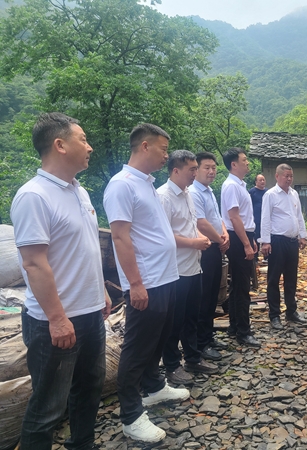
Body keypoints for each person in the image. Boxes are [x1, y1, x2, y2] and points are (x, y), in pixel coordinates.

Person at [11, 113, 111, 450]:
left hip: (90, 313)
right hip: (54, 321)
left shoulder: (79, 191)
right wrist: (56, 318)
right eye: (82, 139)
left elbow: (84, 248)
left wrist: (101, 291)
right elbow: (34, 262)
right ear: (60, 145)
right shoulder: (34, 196)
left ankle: (82, 444)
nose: (89, 147)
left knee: (89, 389)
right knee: (48, 407)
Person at [104, 124, 189, 444]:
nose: (166, 155)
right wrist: (135, 284)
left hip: (165, 277)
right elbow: (120, 237)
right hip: (147, 282)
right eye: (163, 149)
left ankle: (154, 387)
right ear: (144, 146)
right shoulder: (121, 185)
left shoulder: (146, 184)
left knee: (160, 338)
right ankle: (130, 415)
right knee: (137, 348)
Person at [157, 150, 216, 386]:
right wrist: (194, 243)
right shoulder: (163, 196)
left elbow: (191, 225)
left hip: (193, 266)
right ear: (176, 170)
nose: (195, 173)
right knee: (174, 321)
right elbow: (163, 236)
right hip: (175, 270)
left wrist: (200, 238)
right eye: (192, 169)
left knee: (192, 316)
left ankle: (192, 358)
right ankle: (172, 366)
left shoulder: (187, 194)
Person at [189, 152, 230, 361]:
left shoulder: (209, 191)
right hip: (204, 249)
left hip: (215, 246)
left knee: (214, 294)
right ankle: (200, 343)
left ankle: (208, 334)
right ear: (196, 170)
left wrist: (224, 232)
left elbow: (217, 217)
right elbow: (201, 223)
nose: (211, 171)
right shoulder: (193, 192)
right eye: (207, 167)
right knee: (204, 297)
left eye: (214, 167)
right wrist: (220, 239)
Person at [260, 164, 307, 329]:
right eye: (286, 176)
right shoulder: (271, 195)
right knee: (274, 279)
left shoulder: (294, 194)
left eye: (291, 176)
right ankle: (274, 315)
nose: (289, 179)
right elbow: (265, 218)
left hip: (292, 241)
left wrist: (302, 235)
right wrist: (266, 241)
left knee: (291, 278)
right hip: (277, 241)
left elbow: (299, 215)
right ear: (277, 176)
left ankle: (291, 311)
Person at [221, 148, 260, 348]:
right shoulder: (231, 186)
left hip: (244, 235)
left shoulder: (240, 185)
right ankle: (244, 332)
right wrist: (246, 243)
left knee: (238, 285)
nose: (247, 163)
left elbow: (244, 217)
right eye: (244, 160)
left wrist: (250, 239)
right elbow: (234, 217)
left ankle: (234, 326)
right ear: (234, 164)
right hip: (237, 237)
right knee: (243, 286)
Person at [249, 173, 267, 258]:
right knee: (255, 239)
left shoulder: (268, 192)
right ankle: (255, 257)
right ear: (256, 182)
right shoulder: (252, 192)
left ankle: (266, 257)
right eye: (260, 180)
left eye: (263, 180)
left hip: (266, 221)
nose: (262, 181)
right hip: (255, 220)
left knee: (266, 239)